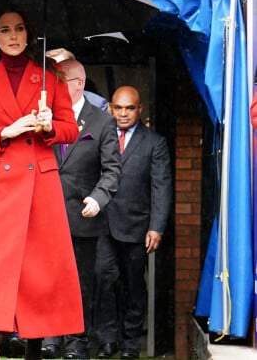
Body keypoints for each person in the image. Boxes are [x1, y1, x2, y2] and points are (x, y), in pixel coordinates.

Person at [0, 6, 84, 360]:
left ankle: (35, 345)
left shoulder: (51, 73)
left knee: (39, 266)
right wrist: (6, 131)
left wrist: (48, 127)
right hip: (1, 183)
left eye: (18, 29)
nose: (13, 36)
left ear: (29, 34)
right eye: (4, 30)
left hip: (40, 184)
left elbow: (70, 131)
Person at [42, 58, 121, 360]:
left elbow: (112, 169)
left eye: (60, 79)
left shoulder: (102, 122)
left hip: (82, 215)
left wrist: (99, 198)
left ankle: (76, 343)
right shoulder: (44, 117)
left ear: (78, 84)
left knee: (79, 283)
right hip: (47, 214)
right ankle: (48, 340)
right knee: (47, 280)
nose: (54, 84)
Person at [93, 86, 172, 360]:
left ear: (140, 109)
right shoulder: (101, 136)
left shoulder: (155, 143)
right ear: (111, 108)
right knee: (104, 279)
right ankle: (106, 341)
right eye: (118, 108)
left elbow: (161, 188)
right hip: (102, 224)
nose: (123, 113)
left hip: (137, 227)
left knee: (133, 286)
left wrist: (157, 227)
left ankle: (129, 345)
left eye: (129, 108)